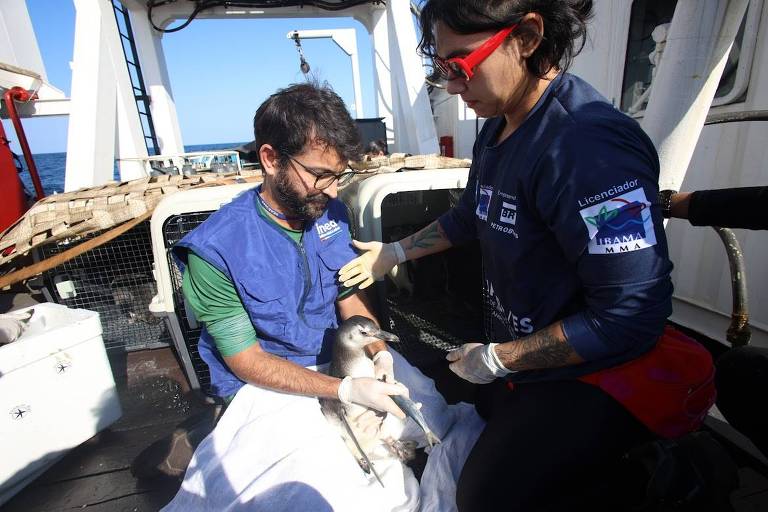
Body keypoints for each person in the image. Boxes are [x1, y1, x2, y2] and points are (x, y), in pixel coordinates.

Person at [339, 1, 714, 510]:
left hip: (595, 369)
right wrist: (398, 251)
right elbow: (473, 213)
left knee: (484, 497)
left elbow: (630, 317)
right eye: (442, 69)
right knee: (461, 404)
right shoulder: (500, 123)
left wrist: (498, 358)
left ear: (528, 36)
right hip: (523, 357)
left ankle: (663, 474)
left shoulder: (590, 152)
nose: (451, 86)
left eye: (461, 65)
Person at [163, 83, 458, 511]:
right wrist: (343, 391)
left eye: (340, 176)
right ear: (270, 159)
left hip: (346, 359)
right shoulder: (213, 250)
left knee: (434, 417)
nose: (334, 191)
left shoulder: (329, 210)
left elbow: (348, 297)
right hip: (271, 381)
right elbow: (246, 361)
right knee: (322, 487)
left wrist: (376, 351)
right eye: (320, 174)